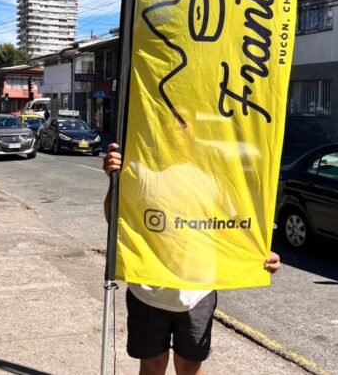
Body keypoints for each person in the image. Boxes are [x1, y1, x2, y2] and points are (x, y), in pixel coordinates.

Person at [103, 142, 281, 375]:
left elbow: (233, 226)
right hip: (146, 290)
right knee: (152, 367)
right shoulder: (138, 170)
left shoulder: (213, 177)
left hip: (197, 293)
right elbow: (114, 219)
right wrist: (114, 179)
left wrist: (258, 254)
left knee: (189, 367)